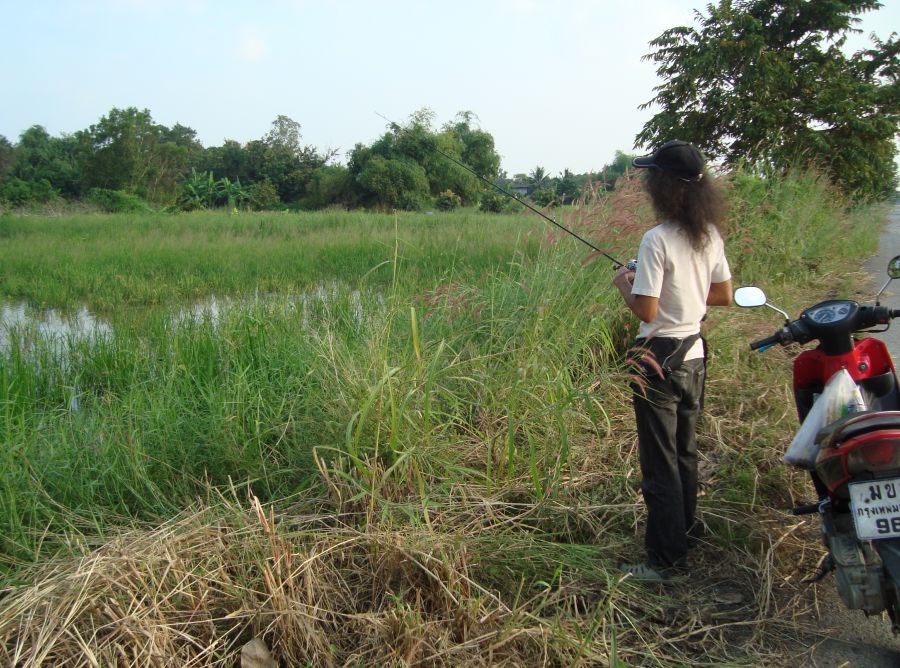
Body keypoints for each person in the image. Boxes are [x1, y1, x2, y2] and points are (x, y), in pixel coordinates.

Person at [611, 140, 732, 581]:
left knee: (659, 463)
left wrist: (622, 282)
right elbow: (722, 295)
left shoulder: (655, 239)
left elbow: (645, 310)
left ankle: (665, 561)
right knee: (685, 454)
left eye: (651, 177)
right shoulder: (709, 235)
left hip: (659, 359)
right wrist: (686, 300)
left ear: (664, 185)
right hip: (695, 355)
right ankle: (685, 534)